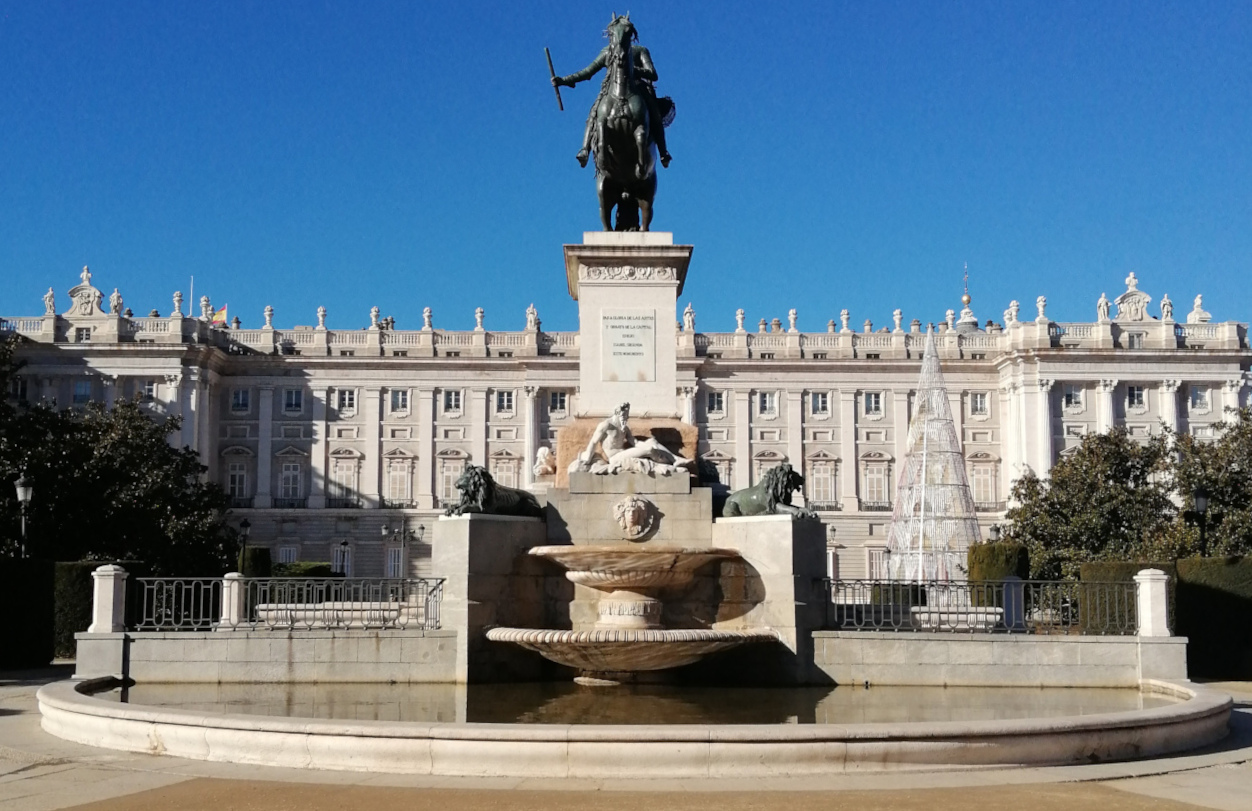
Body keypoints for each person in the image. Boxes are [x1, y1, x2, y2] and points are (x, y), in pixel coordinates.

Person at [553, 16, 673, 169]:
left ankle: (663, 152)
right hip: (609, 88)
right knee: (594, 112)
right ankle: (585, 150)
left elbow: (652, 74)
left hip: (638, 88)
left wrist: (631, 69)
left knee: (654, 112)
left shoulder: (640, 51)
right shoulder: (606, 52)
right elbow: (587, 72)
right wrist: (564, 80)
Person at [571, 402, 693, 475]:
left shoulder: (625, 428)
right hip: (614, 458)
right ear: (617, 413)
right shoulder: (605, 425)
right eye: (624, 414)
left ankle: (675, 459)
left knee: (652, 442)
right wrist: (587, 456)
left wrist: (648, 444)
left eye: (627, 414)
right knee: (649, 450)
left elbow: (634, 442)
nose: (626, 417)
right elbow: (593, 441)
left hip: (624, 453)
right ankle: (671, 464)